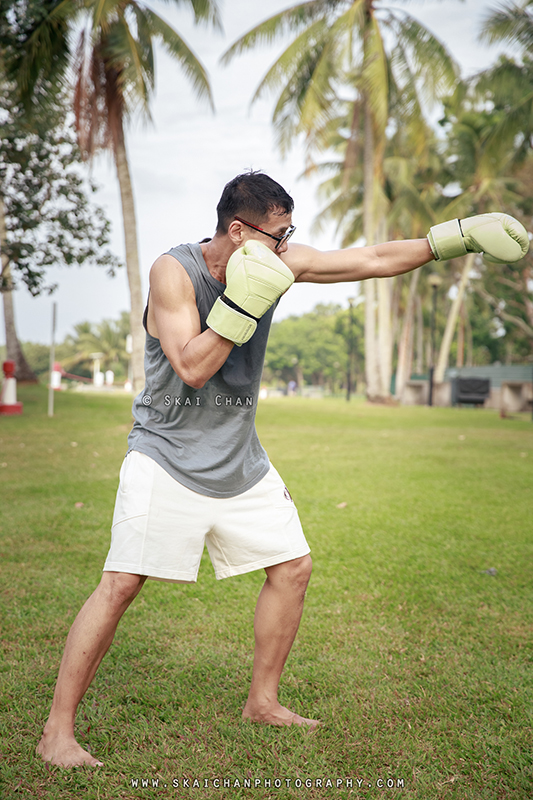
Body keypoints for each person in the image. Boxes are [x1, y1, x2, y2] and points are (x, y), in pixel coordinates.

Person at [37, 171, 528, 768]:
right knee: (121, 584)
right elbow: (192, 368)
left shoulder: (277, 261)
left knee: (293, 568)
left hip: (239, 458)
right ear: (238, 231)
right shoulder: (174, 272)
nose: (287, 245)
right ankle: (57, 732)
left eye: (290, 233)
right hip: (165, 454)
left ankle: (262, 702)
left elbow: (370, 259)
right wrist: (243, 303)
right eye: (279, 234)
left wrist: (452, 239)